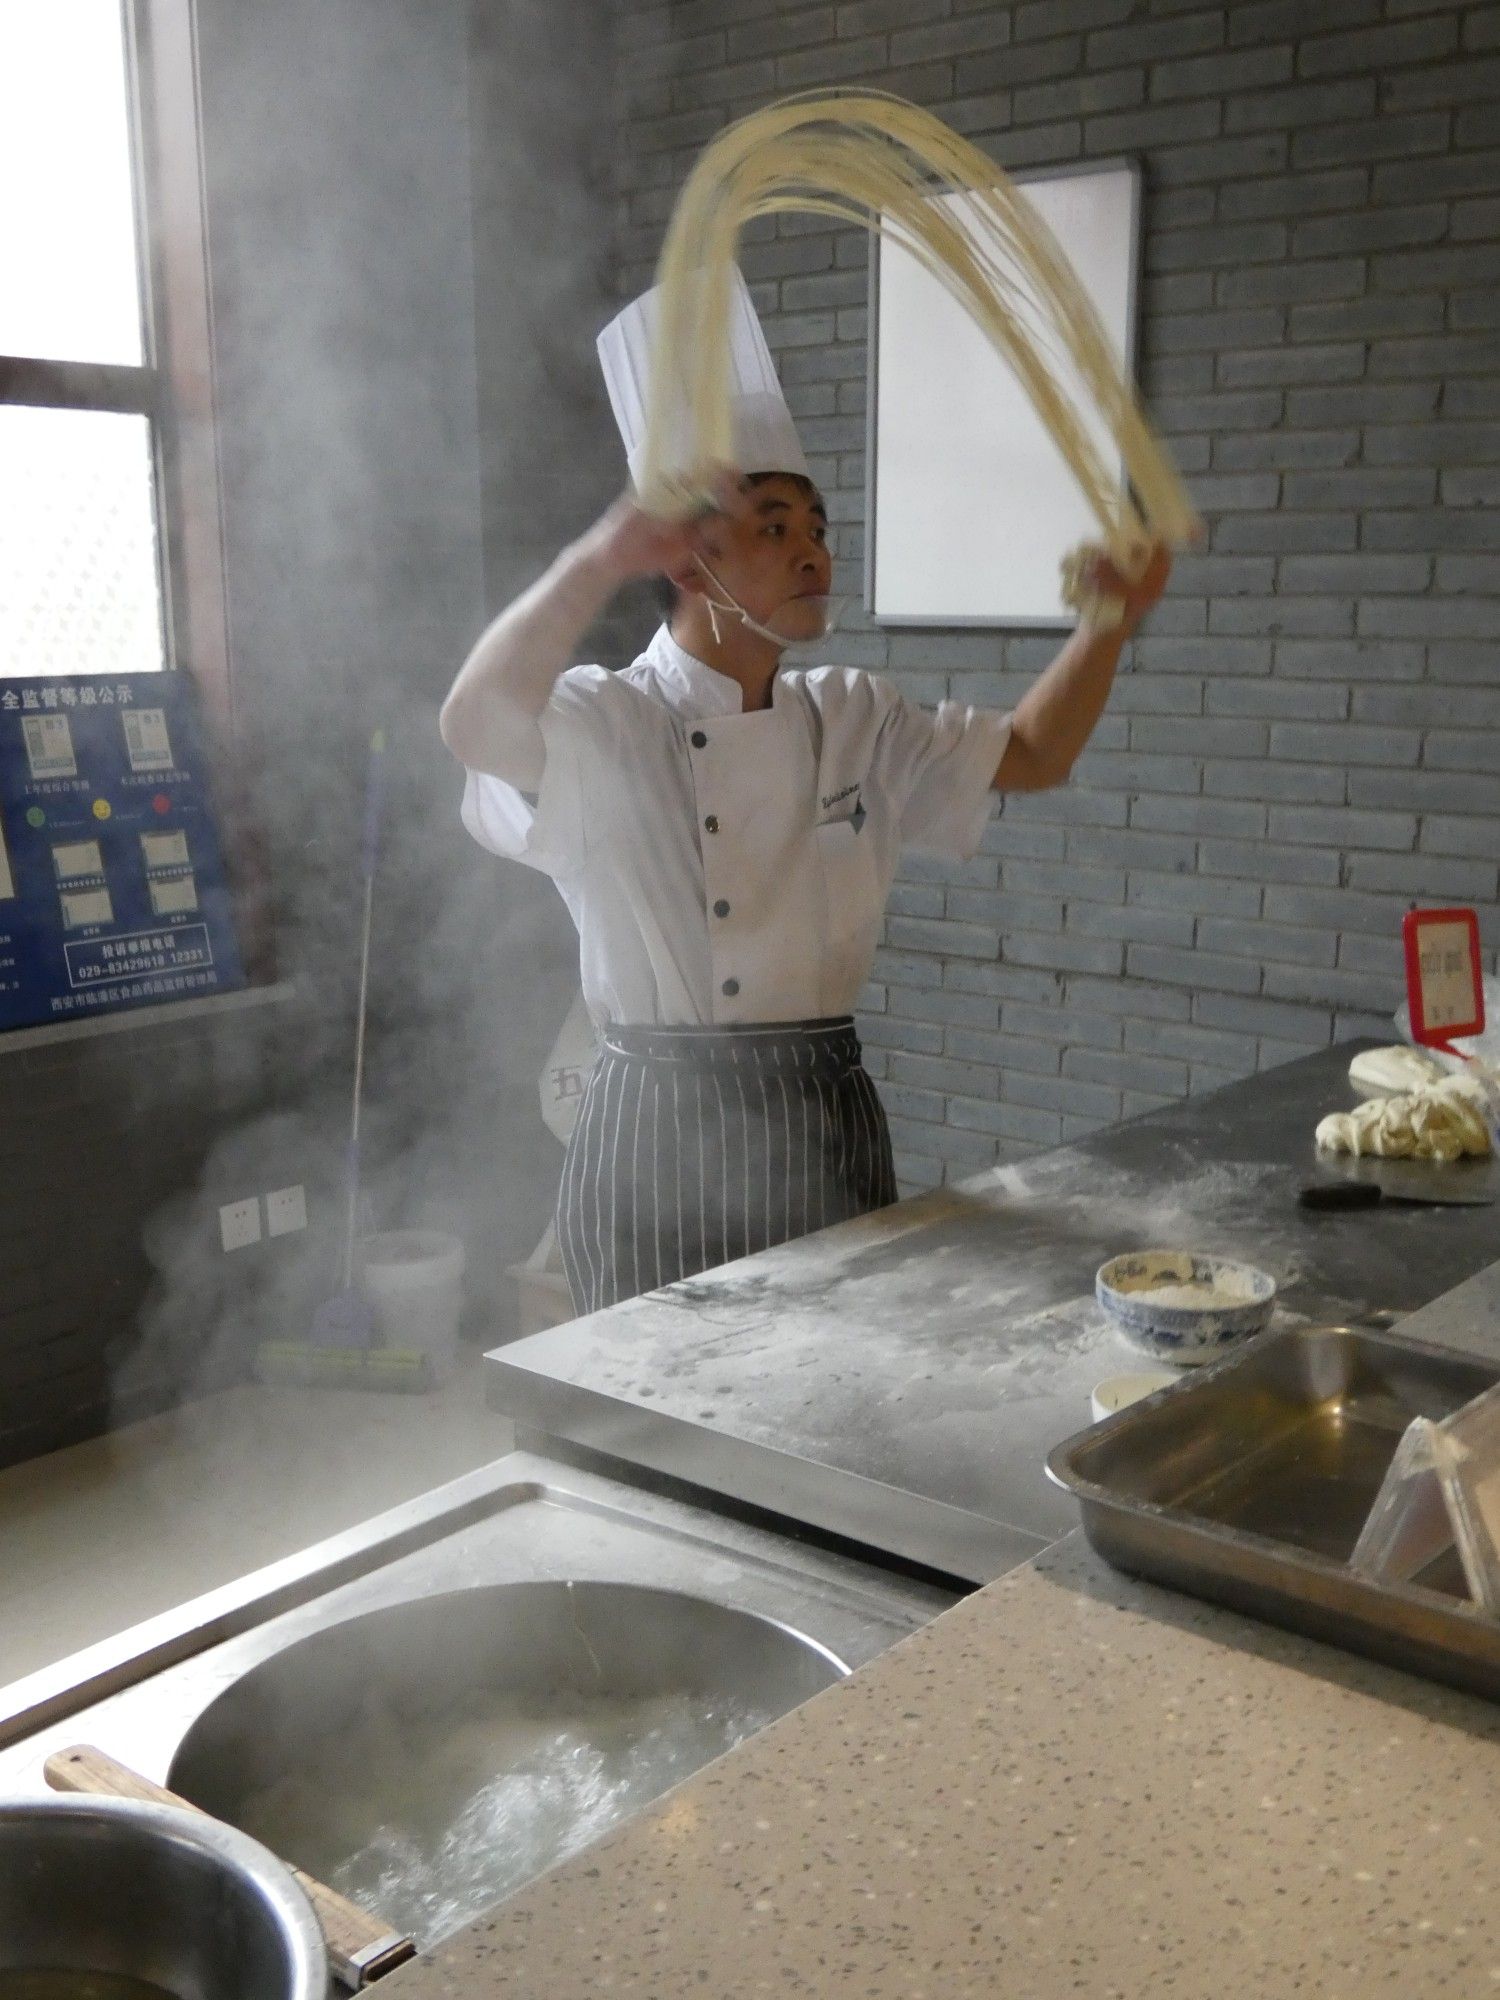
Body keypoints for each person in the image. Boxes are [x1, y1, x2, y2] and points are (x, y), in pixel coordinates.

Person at [440, 272, 1170, 1315]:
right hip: (655, 1132)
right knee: (655, 1431)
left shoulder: (855, 715)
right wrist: (595, 560)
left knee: (832, 1404)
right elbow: (472, 722)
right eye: (776, 526)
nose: (816, 549)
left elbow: (1034, 754)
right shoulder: (610, 722)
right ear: (691, 557)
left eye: (819, 526)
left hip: (819, 1116)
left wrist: (1107, 621)